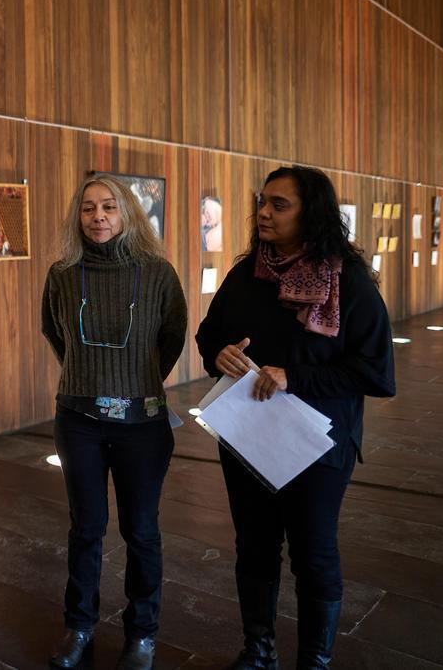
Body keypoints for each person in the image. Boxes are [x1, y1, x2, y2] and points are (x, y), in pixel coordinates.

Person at [195, 166, 395, 670]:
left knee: (314, 553)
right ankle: (258, 650)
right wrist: (217, 354)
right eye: (262, 201)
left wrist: (294, 376)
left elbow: (376, 373)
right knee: (255, 548)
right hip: (248, 437)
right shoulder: (248, 273)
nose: (263, 212)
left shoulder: (347, 280)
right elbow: (206, 337)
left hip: (318, 443)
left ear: (312, 213)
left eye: (279, 205)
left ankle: (315, 660)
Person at [41, 174, 188, 670]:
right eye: (87, 209)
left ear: (127, 213)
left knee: (141, 530)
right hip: (78, 419)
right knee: (86, 527)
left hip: (142, 423)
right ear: (77, 217)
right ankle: (78, 625)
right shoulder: (62, 272)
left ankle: (142, 634)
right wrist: (89, 378)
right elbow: (55, 332)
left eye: (108, 207)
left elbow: (172, 336)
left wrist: (137, 382)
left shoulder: (157, 273)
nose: (97, 217)